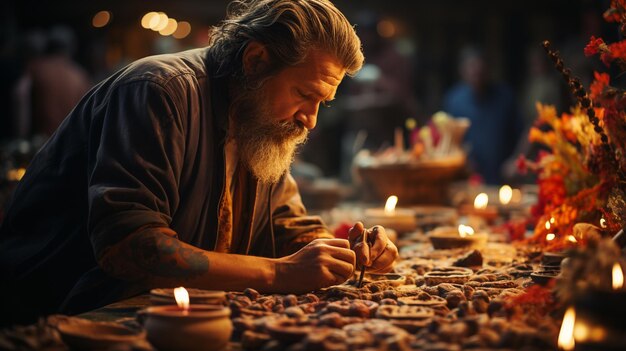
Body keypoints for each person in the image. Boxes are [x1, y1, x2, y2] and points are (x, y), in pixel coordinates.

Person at [0, 0, 398, 326]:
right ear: (256, 60)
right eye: (304, 94)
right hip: (60, 318)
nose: (310, 119)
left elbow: (285, 222)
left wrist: (343, 252)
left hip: (164, 314)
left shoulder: (257, 116)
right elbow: (129, 246)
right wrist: (280, 273)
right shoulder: (159, 92)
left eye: (321, 104)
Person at [443, 46, 523, 185]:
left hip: (504, 179)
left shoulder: (505, 96)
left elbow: (523, 131)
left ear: (489, 68)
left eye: (481, 66)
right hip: (469, 180)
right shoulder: (454, 100)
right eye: (472, 66)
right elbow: (448, 140)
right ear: (462, 70)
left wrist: (516, 160)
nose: (477, 71)